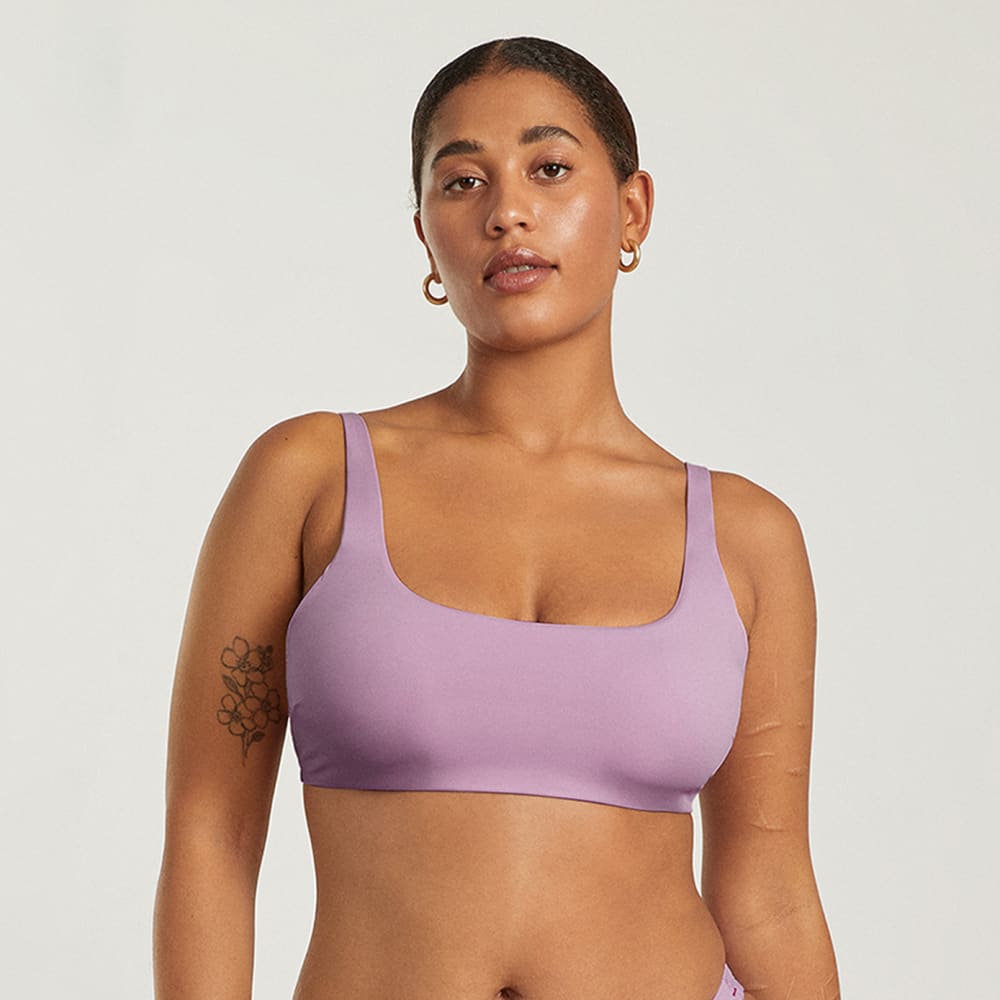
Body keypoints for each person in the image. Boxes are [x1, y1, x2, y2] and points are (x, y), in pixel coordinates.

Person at [153, 35, 840, 1000]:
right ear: (426, 234)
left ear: (633, 210)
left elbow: (770, 892)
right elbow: (210, 838)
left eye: (548, 169)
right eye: (462, 181)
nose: (506, 211)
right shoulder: (309, 480)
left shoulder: (748, 537)